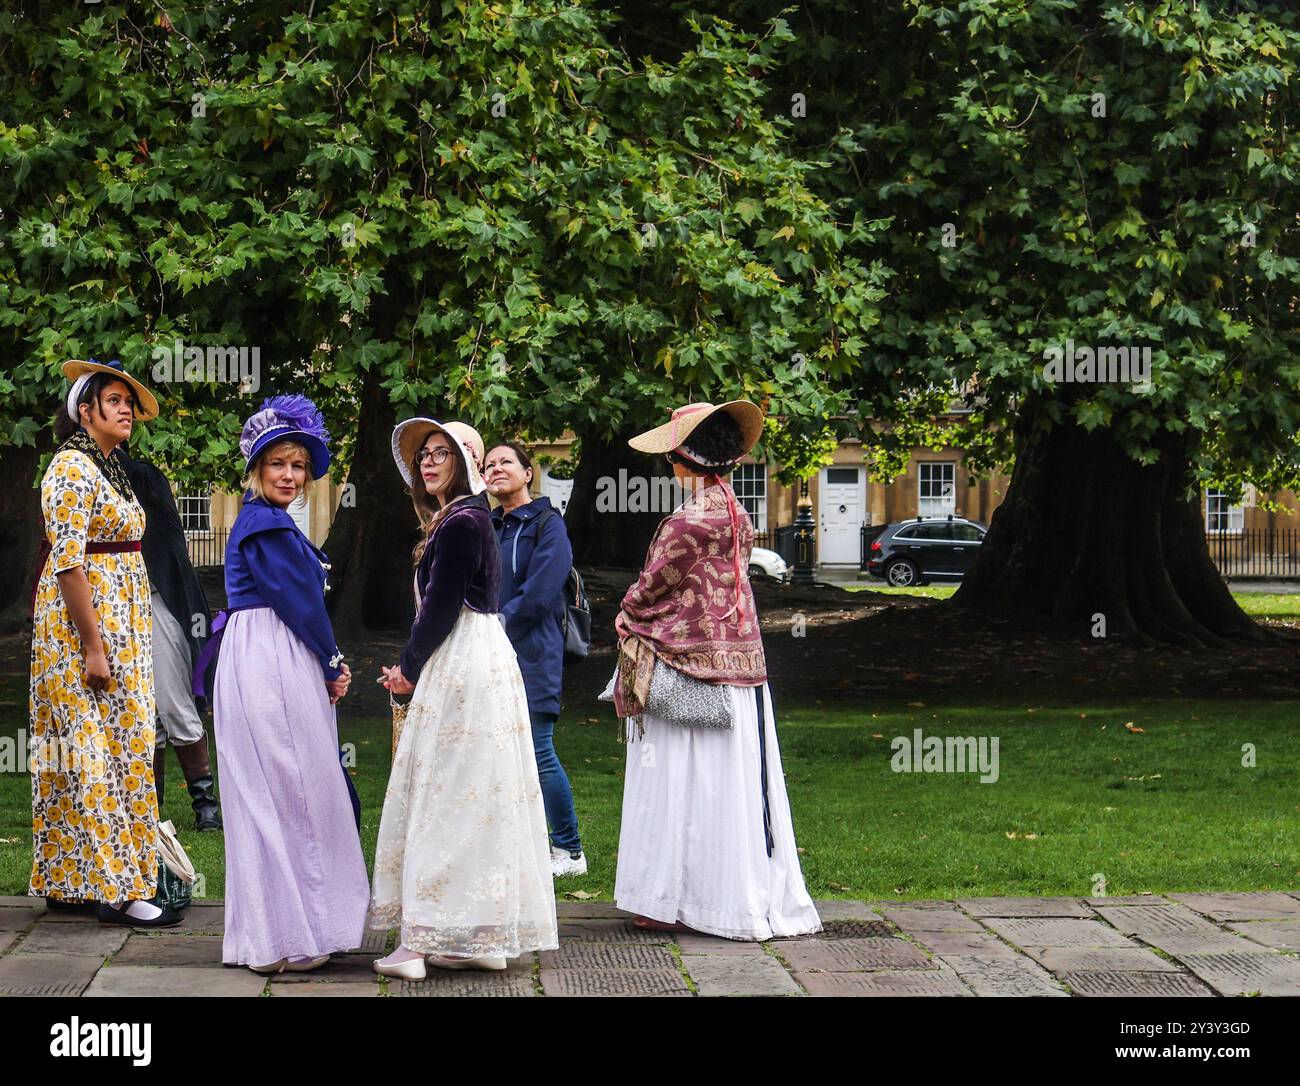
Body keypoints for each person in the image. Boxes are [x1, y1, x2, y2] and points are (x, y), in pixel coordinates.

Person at [611, 401, 822, 941]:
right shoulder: (737, 512)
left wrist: (628, 613)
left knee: (676, 780)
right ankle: (723, 894)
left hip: (688, 671)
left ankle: (669, 898)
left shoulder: (687, 520)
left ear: (684, 457)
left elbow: (653, 586)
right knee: (728, 786)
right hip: (741, 671)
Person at [369, 419, 557, 980]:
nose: (428, 462)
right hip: (480, 657)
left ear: (464, 460)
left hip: (463, 659)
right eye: (423, 455)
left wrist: (406, 669)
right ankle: (479, 935)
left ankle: (418, 945)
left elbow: (441, 609)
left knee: (444, 791)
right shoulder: (464, 518)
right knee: (476, 792)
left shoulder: (462, 521)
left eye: (440, 453)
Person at [207, 395, 369, 974]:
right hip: (270, 657)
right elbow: (300, 603)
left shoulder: (269, 521)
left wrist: (325, 659)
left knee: (279, 788)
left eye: (299, 466)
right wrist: (331, 660)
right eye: (279, 463)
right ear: (256, 468)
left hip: (266, 654)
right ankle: (292, 935)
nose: (290, 475)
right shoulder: (265, 524)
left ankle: (280, 931)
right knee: (293, 785)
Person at [29, 358, 181, 926]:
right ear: (84, 410)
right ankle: (119, 890)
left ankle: (68, 877)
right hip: (81, 630)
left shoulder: (109, 467)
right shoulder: (71, 469)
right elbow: (68, 564)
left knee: (109, 747)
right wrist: (93, 647)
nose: (127, 410)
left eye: (129, 403)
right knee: (95, 753)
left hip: (121, 627)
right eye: (114, 400)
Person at [484, 441, 585, 877]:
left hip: (532, 653)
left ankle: (569, 851)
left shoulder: (548, 525)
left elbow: (542, 592)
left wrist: (496, 626)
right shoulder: (483, 525)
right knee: (491, 750)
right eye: (488, 464)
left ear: (528, 473)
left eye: (506, 461)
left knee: (538, 750)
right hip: (484, 651)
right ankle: (509, 843)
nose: (496, 468)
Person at [119, 452, 222, 832]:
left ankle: (205, 804)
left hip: (159, 599)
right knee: (142, 713)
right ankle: (151, 806)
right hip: (115, 611)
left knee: (175, 704)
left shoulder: (143, 477)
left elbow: (162, 546)